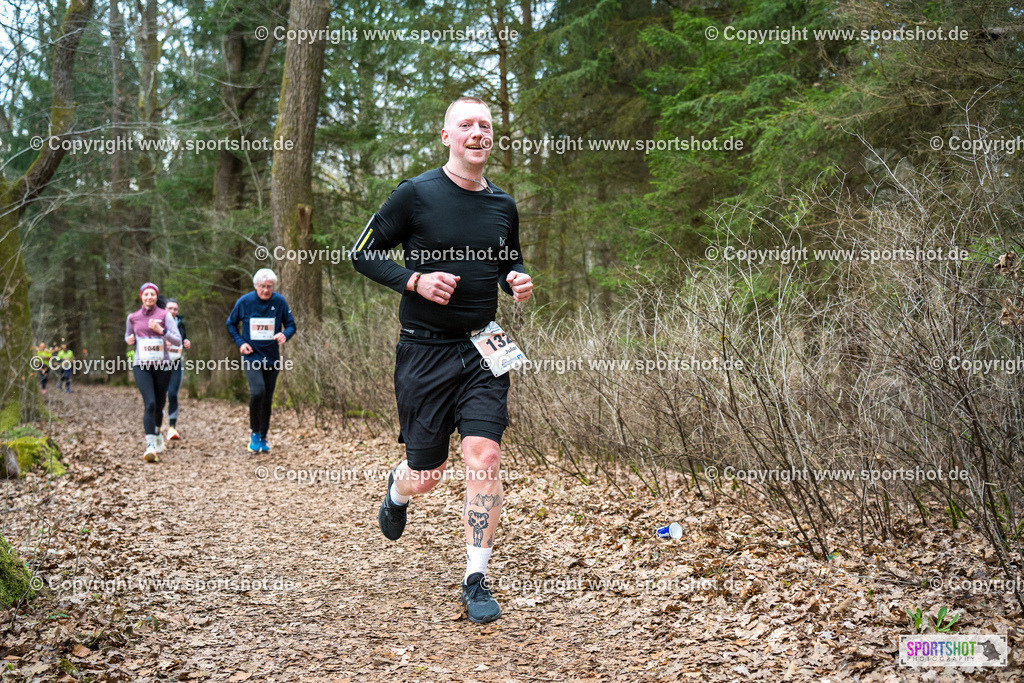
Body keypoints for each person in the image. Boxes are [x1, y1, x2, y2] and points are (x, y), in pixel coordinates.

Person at [352, 96, 533, 623]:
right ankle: (398, 488)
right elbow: (361, 252)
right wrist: (414, 279)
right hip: (424, 350)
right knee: (426, 473)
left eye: (485, 125)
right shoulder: (416, 194)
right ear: (446, 136)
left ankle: (475, 577)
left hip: (484, 346)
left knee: (484, 457)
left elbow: (508, 257)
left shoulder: (503, 205)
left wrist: (513, 278)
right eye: (466, 125)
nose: (478, 132)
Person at [226, 269, 296, 453]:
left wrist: (284, 334)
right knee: (258, 392)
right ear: (256, 286)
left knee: (267, 399)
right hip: (251, 356)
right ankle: (254, 432)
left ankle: (263, 437)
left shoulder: (279, 301)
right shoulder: (245, 302)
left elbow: (291, 325)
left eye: (269, 287)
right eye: (263, 286)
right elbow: (230, 323)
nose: (266, 290)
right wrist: (240, 343)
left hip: (272, 357)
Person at [125, 282, 182, 462]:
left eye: (153, 294)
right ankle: (150, 444)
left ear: (157, 297)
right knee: (149, 403)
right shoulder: (133, 317)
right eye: (146, 294)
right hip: (141, 365)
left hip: (162, 365)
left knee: (159, 404)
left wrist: (161, 331)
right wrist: (129, 339)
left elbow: (178, 340)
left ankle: (157, 433)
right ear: (141, 296)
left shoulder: (165, 315)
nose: (149, 297)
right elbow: (127, 335)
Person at [164, 299, 191, 440]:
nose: (173, 311)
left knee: (173, 393)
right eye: (170, 308)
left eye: (175, 309)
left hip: (175, 363)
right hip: (159, 364)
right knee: (160, 395)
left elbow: (184, 339)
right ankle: (158, 422)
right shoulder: (158, 322)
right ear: (164, 309)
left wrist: (186, 342)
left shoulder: (181, 324)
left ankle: (172, 427)